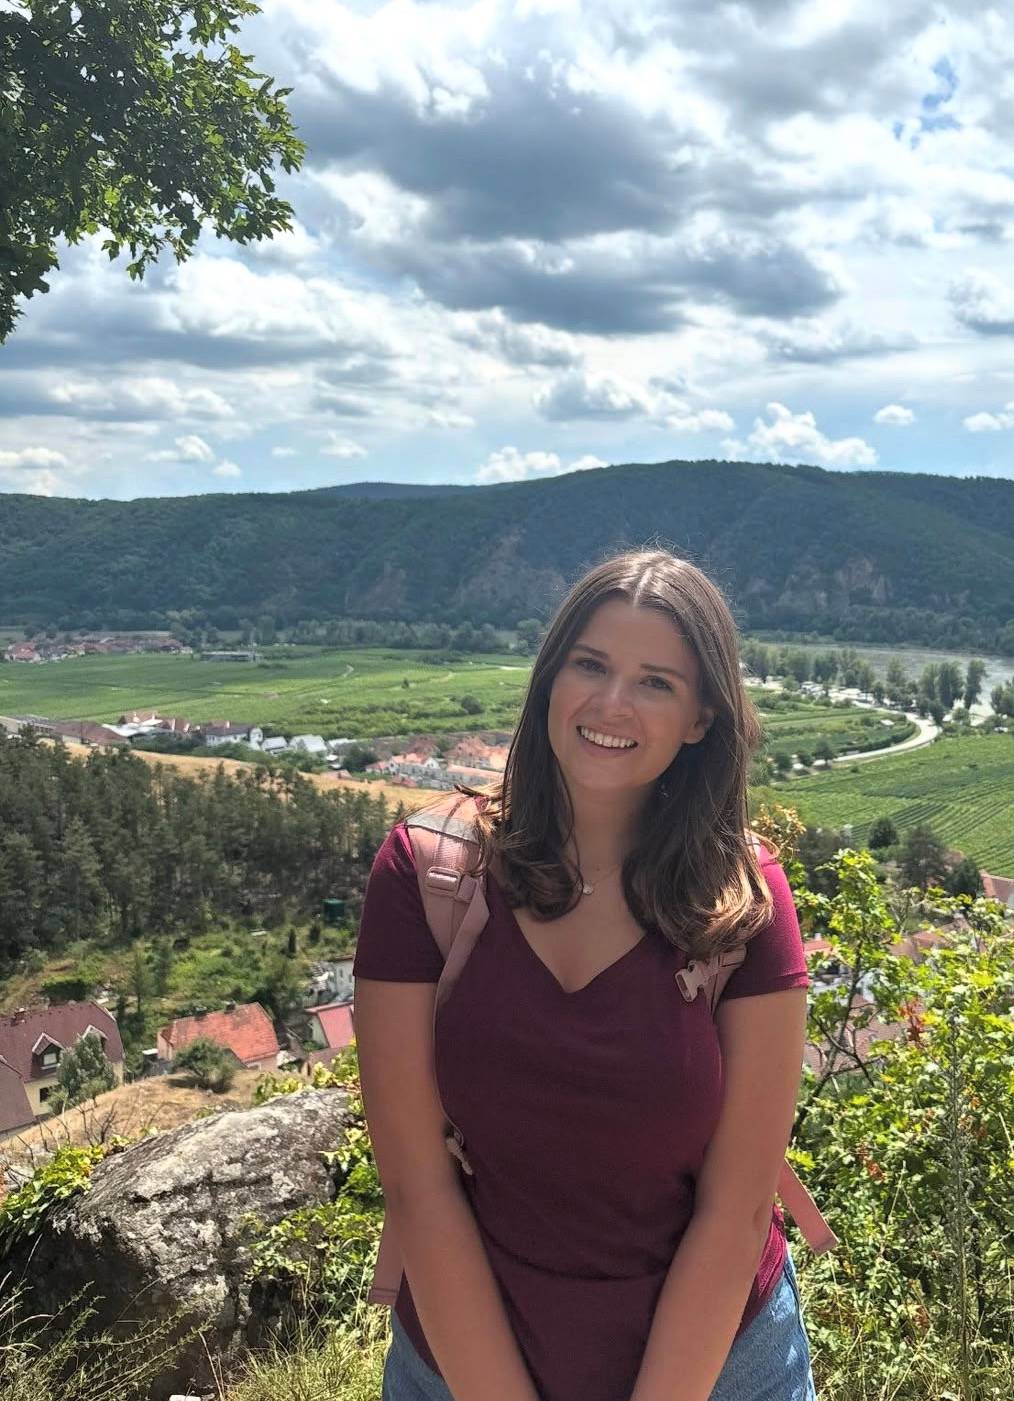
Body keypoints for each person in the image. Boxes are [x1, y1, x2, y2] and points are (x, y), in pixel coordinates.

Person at [353, 549, 817, 1401]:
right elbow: (418, 1185)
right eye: (591, 664)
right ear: (550, 679)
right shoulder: (428, 875)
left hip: (721, 1369)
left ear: (702, 718)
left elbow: (737, 1209)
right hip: (459, 1365)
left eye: (655, 682)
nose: (611, 703)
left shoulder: (743, 903)